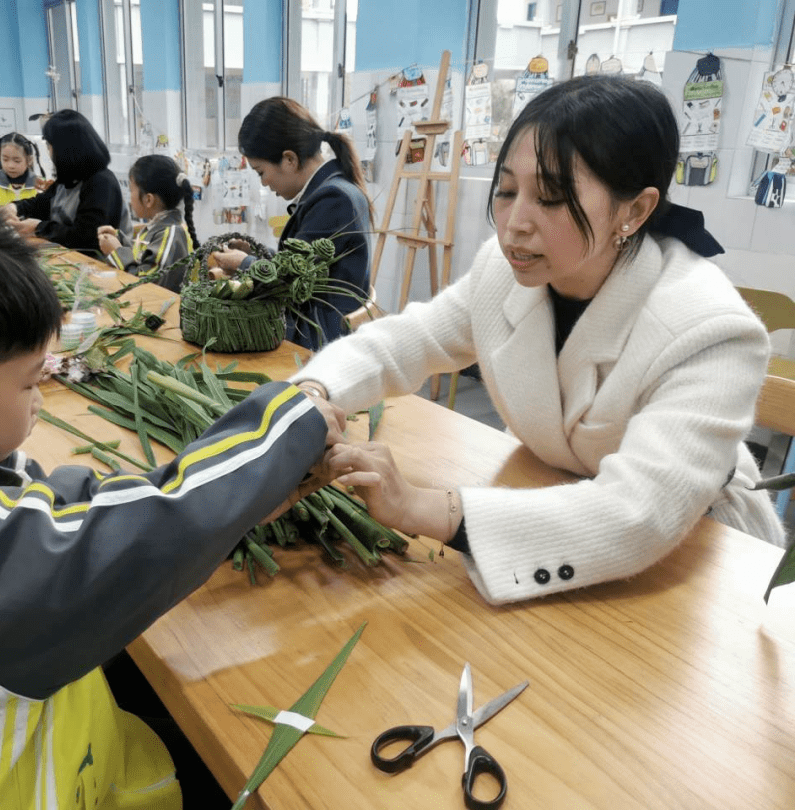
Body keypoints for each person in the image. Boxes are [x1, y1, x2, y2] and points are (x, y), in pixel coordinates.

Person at [0, 208, 344, 809]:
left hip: (42, 738)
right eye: (31, 381)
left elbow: (50, 511)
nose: (41, 396)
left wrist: (249, 500)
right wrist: (292, 418)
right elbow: (146, 533)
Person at [291, 75, 786, 605]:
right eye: (506, 192)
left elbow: (637, 513)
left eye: (550, 198)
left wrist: (419, 507)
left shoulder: (710, 330)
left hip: (704, 559)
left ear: (635, 211)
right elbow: (404, 341)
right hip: (549, 508)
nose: (512, 226)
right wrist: (310, 397)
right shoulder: (504, 274)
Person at [212, 97, 373, 349]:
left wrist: (244, 264)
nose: (264, 183)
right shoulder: (332, 190)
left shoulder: (333, 199)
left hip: (317, 341)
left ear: (289, 159)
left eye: (261, 172)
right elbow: (301, 265)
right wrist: (256, 254)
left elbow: (289, 281)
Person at [1, 109, 130, 252]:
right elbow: (41, 203)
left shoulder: (101, 182)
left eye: (50, 147)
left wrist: (39, 227)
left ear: (65, 150)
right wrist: (15, 207)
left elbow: (86, 237)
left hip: (102, 265)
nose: (49, 153)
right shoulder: (68, 178)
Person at [97, 154, 199, 291]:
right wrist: (118, 239)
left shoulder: (171, 234)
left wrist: (117, 251)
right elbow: (143, 259)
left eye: (131, 190)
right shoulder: (158, 227)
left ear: (148, 200)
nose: (129, 196)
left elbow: (145, 285)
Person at [0, 131, 43, 207]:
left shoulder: (40, 184)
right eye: (5, 159)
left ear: (29, 160)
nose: (11, 166)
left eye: (17, 161)